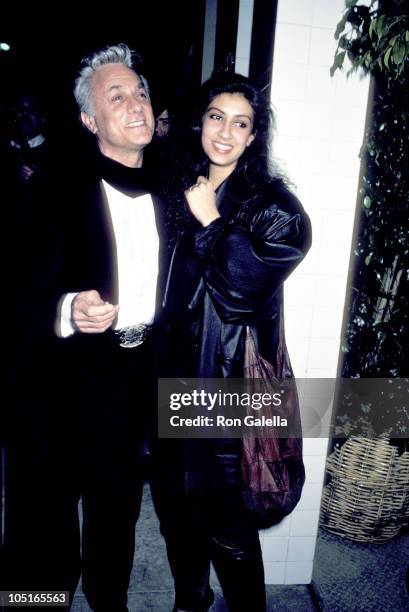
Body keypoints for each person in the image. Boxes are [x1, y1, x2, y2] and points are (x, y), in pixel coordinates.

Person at [3, 43, 165, 611]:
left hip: (136, 377)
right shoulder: (54, 186)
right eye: (116, 96)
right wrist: (66, 308)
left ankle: (109, 600)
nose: (136, 104)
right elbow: (15, 284)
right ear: (89, 120)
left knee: (116, 509)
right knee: (44, 513)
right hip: (62, 381)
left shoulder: (177, 187)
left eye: (140, 91)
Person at [152, 73, 312, 611]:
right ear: (202, 121)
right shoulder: (181, 184)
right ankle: (189, 602)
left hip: (227, 387)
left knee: (227, 524)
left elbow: (242, 291)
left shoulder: (277, 210)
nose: (225, 131)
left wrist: (212, 221)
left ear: (253, 137)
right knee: (175, 511)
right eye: (217, 116)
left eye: (240, 123)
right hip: (172, 374)